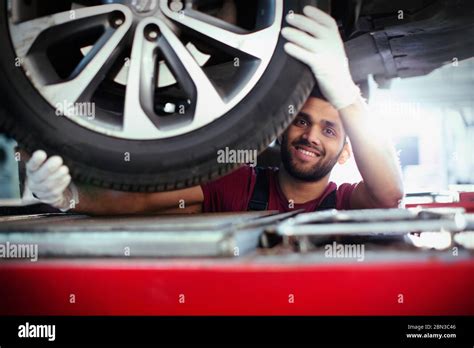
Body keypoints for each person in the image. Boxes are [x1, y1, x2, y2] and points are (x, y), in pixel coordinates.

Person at [22, 6, 404, 215]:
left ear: (346, 153)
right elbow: (140, 200)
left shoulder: (343, 201)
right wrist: (67, 196)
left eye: (330, 130)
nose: (311, 136)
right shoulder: (239, 183)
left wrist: (347, 95)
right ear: (283, 125)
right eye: (302, 121)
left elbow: (389, 196)